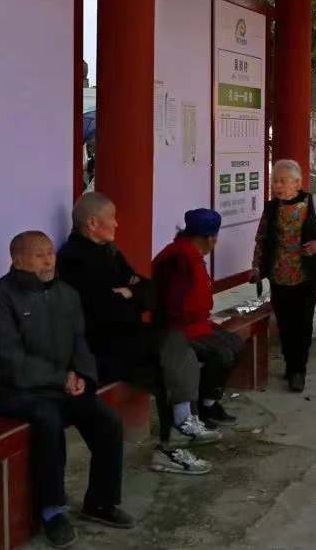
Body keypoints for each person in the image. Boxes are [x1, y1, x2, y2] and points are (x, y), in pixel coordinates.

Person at [0, 231, 135, 549]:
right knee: (48, 422)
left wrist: (83, 378)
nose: (48, 261)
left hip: (62, 385)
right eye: (39, 255)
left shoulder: (66, 293)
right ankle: (51, 512)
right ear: (18, 260)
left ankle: (101, 502)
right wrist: (61, 378)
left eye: (50, 253)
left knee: (107, 420)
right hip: (16, 392)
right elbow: (7, 360)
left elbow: (80, 342)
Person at [56, 193, 218, 476]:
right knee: (173, 352)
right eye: (112, 218)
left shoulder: (110, 251)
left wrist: (128, 293)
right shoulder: (75, 259)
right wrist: (129, 296)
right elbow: (102, 310)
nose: (117, 224)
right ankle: (179, 429)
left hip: (127, 338)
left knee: (174, 363)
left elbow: (149, 291)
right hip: (101, 347)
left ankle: (172, 442)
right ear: (93, 223)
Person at [152, 208, 243, 427]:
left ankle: (209, 402)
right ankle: (202, 407)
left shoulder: (190, 254)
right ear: (210, 238)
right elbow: (171, 306)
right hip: (175, 328)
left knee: (236, 344)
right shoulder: (178, 259)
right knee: (219, 354)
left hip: (196, 323)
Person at [250, 159, 316, 393]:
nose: (277, 185)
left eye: (282, 181)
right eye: (274, 181)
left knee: (302, 324)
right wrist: (256, 268)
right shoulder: (271, 209)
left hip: (306, 276)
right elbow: (261, 240)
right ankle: (290, 364)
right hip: (278, 277)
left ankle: (298, 371)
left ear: (297, 182)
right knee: (284, 325)